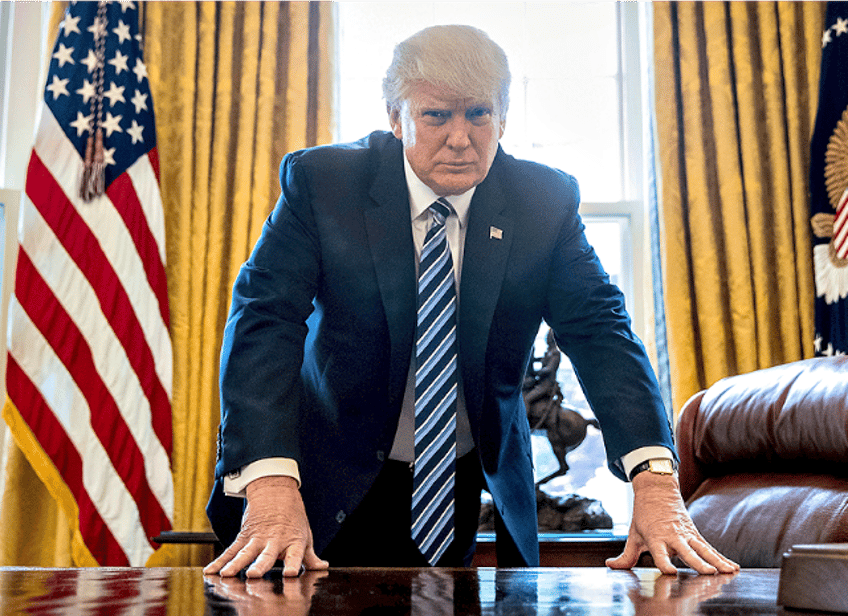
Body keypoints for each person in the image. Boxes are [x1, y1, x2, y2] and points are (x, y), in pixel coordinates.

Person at [204, 24, 738, 578]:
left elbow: (602, 333)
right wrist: (268, 482)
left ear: (503, 118)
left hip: (453, 486)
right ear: (395, 117)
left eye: (479, 114)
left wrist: (654, 480)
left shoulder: (542, 202)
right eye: (437, 116)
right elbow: (264, 321)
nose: (460, 137)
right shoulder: (325, 183)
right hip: (317, 485)